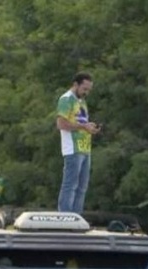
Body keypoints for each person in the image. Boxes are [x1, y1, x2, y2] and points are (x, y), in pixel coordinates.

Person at [56, 72, 100, 213]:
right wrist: (83, 127)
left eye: (88, 90)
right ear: (76, 84)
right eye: (84, 89)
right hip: (73, 148)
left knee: (82, 187)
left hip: (85, 148)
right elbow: (61, 124)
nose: (86, 92)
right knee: (70, 184)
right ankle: (65, 216)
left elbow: (80, 121)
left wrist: (89, 127)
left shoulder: (81, 101)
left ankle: (76, 216)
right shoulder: (66, 99)